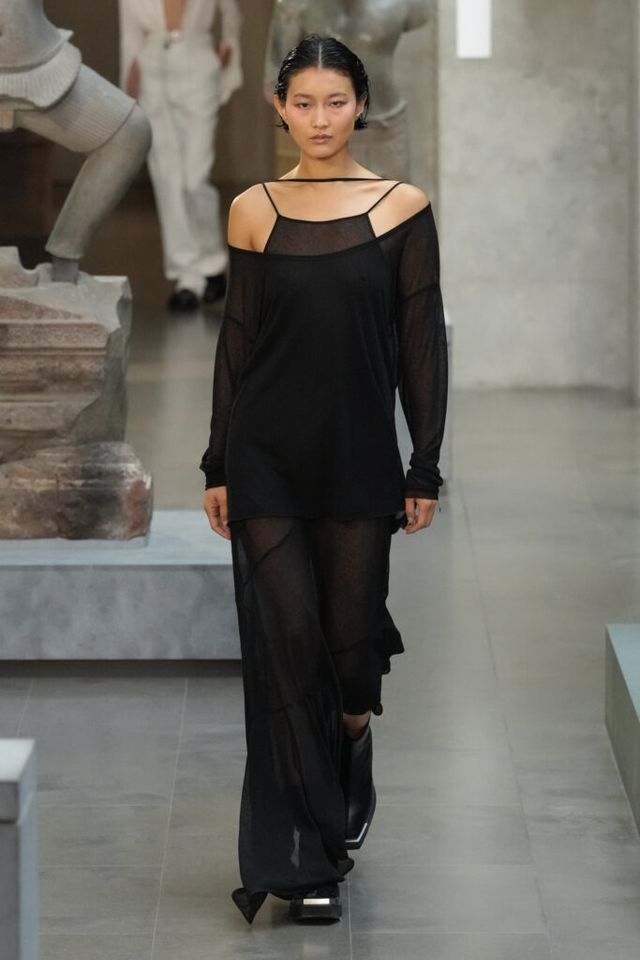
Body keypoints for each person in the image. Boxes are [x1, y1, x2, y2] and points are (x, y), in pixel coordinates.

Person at [200, 34, 448, 925]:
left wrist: (424, 464)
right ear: (279, 108)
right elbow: (238, 340)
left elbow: (421, 345)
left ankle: (354, 739)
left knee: (347, 659)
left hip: (357, 457)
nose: (318, 119)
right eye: (301, 102)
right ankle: (304, 860)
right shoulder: (253, 210)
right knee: (289, 651)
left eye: (334, 102)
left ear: (360, 105)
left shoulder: (401, 208)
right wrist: (218, 460)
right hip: (266, 456)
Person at [118, 0, 242, 311]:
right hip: (152, 78)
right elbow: (130, 38)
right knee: (166, 179)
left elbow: (231, 13)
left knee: (194, 178)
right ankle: (186, 276)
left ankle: (211, 263)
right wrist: (126, 99)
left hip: (199, 71)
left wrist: (229, 49)